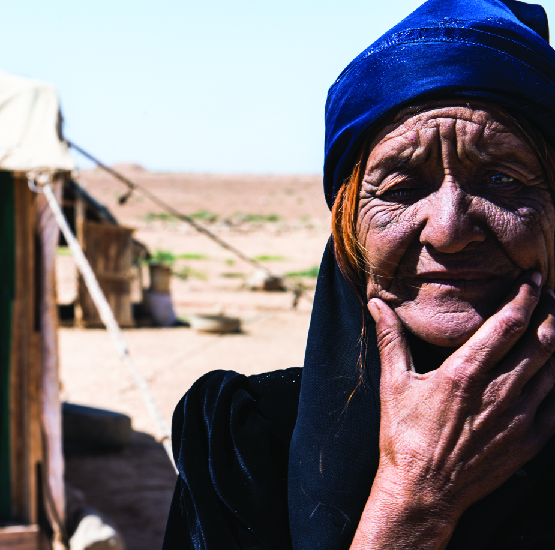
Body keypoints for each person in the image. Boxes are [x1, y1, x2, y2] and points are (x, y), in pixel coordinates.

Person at [162, 0, 555, 548]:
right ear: (349, 227)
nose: (448, 230)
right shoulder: (243, 448)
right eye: (399, 188)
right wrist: (414, 500)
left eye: (502, 178)